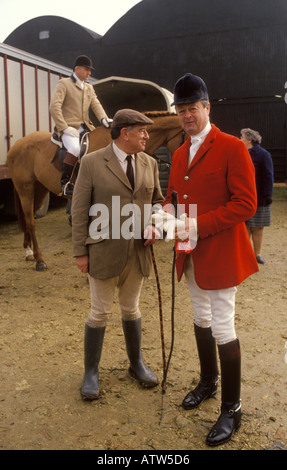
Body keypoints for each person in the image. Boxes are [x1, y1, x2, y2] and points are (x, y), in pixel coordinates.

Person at [163, 73, 259, 446]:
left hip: (219, 250)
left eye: (193, 109)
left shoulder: (233, 147)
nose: (187, 116)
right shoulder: (177, 152)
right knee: (199, 317)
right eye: (181, 110)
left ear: (207, 107)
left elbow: (245, 203)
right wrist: (163, 217)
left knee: (222, 325)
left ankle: (233, 409)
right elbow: (175, 197)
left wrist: (197, 225)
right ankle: (208, 381)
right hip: (188, 252)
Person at [71, 108, 164, 401]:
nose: (147, 136)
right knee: (99, 312)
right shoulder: (91, 162)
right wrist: (79, 252)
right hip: (102, 252)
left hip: (138, 253)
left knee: (131, 308)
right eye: (142, 131)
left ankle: (136, 364)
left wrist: (155, 226)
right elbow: (79, 209)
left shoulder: (150, 163)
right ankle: (91, 373)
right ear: (125, 133)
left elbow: (158, 202)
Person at [50, 55, 111, 197]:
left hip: (85, 128)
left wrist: (103, 118)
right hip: (68, 128)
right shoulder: (64, 83)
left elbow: (96, 104)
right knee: (75, 148)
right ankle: (66, 184)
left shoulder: (89, 87)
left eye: (90, 70)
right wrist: (64, 127)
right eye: (87, 70)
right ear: (77, 69)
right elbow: (54, 107)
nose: (90, 73)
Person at [241, 128, 274, 264]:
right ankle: (245, 255)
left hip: (259, 197)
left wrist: (267, 195)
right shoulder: (240, 152)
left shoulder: (263, 154)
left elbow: (268, 175)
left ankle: (257, 254)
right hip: (244, 196)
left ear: (249, 139)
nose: (240, 139)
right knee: (245, 226)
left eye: (242, 136)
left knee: (258, 227)